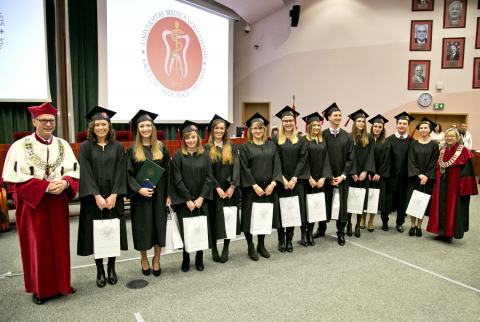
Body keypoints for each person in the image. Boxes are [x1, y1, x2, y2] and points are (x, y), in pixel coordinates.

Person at [2, 103, 79, 305]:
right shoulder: (20, 146)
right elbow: (14, 182)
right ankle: (40, 289)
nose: (48, 124)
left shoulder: (62, 145)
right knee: (38, 247)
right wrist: (44, 188)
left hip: (57, 202)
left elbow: (73, 174)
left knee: (61, 245)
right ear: (34, 121)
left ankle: (63, 284)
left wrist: (65, 182)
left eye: (51, 120)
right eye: (43, 120)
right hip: (33, 206)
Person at [77, 106, 128, 288]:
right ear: (92, 127)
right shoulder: (85, 147)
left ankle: (112, 267)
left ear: (109, 127)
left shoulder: (118, 147)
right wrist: (97, 196)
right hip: (93, 200)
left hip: (114, 199)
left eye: (104, 124)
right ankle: (100, 269)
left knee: (112, 233)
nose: (100, 128)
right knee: (97, 234)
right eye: (97, 124)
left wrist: (115, 194)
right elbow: (85, 172)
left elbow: (121, 172)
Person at [126, 110, 171, 277]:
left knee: (159, 227)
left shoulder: (161, 148)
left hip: (158, 195)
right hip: (140, 197)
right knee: (142, 228)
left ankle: (157, 259)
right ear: (137, 129)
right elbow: (127, 174)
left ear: (153, 128)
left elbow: (168, 172)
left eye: (148, 126)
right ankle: (144, 259)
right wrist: (138, 189)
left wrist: (168, 195)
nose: (145, 129)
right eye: (142, 126)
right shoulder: (132, 150)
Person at [171, 121, 213, 272]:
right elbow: (177, 179)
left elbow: (209, 178)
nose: (190, 140)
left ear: (198, 138)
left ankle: (199, 257)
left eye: (193, 137)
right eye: (187, 137)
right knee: (186, 229)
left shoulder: (205, 156)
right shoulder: (178, 156)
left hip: (202, 201)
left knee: (199, 228)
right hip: (184, 201)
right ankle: (186, 257)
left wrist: (201, 198)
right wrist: (188, 199)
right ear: (183, 139)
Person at [240, 113, 283, 260]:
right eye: (255, 128)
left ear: (264, 130)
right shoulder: (245, 147)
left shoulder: (271, 145)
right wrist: (254, 185)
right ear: (250, 130)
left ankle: (261, 244)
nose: (258, 131)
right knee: (249, 217)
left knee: (263, 216)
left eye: (260, 128)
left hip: (268, 189)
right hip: (252, 190)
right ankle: (250, 246)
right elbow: (244, 168)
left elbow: (277, 165)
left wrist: (273, 183)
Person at [312, 103, 356, 246]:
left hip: (342, 178)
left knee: (341, 205)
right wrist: (328, 176)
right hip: (325, 178)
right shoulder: (322, 135)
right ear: (329, 117)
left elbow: (351, 158)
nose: (338, 118)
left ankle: (341, 232)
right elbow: (319, 157)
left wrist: (343, 176)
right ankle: (321, 228)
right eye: (335, 115)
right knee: (324, 202)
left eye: (339, 115)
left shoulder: (348, 137)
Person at [427, 127, 478, 243]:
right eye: (448, 136)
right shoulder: (442, 150)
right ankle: (440, 232)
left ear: (457, 138)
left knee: (452, 208)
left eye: (452, 136)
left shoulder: (464, 151)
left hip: (455, 185)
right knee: (440, 207)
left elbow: (468, 171)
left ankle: (449, 234)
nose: (449, 138)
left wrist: (463, 188)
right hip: (441, 184)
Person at [203, 114, 240, 263]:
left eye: (222, 128)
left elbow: (237, 168)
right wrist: (217, 187)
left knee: (228, 219)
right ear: (212, 130)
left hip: (230, 190)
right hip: (213, 191)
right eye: (216, 128)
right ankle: (214, 249)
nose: (219, 131)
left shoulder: (232, 147)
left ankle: (226, 247)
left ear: (225, 131)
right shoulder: (206, 148)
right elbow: (207, 171)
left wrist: (232, 186)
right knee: (213, 219)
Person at [273, 106, 309, 251]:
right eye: (285, 121)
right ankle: (281, 239)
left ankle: (290, 240)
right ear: (282, 123)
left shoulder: (300, 140)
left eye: (290, 121)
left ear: (294, 123)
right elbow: (274, 160)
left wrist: (294, 178)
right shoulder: (276, 140)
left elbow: (303, 159)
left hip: (296, 182)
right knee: (281, 211)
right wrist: (281, 178)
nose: (288, 123)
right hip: (281, 182)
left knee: (293, 210)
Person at [302, 112, 332, 245]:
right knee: (306, 206)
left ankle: (310, 232)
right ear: (309, 126)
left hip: (320, 181)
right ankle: (304, 233)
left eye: (318, 125)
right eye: (314, 125)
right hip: (307, 180)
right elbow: (303, 161)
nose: (317, 128)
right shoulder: (303, 140)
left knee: (316, 206)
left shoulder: (323, 141)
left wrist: (324, 177)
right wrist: (308, 177)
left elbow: (327, 160)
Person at [383, 111, 415, 233]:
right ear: (396, 125)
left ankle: (399, 222)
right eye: (400, 123)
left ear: (408, 126)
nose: (402, 125)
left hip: (405, 177)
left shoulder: (412, 142)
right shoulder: (389, 140)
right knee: (388, 199)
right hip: (390, 175)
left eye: (404, 124)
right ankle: (384, 221)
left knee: (402, 200)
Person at [406, 118, 439, 237]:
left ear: (430, 130)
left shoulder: (435, 145)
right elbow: (411, 160)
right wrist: (419, 175)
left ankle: (419, 226)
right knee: (413, 201)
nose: (423, 130)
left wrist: (425, 177)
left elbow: (433, 162)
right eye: (421, 128)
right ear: (419, 129)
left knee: (423, 202)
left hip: (427, 179)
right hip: (414, 177)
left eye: (426, 128)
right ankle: (412, 225)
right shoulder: (413, 144)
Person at [345, 109, 375, 238]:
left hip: (363, 175)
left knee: (360, 200)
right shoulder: (348, 137)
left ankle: (358, 224)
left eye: (363, 121)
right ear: (355, 122)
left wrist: (365, 171)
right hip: (351, 175)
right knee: (349, 200)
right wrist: (352, 172)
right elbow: (346, 156)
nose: (361, 123)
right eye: (359, 121)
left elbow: (371, 156)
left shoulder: (368, 138)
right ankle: (349, 224)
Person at [362, 115, 391, 232]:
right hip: (367, 175)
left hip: (379, 176)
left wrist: (379, 173)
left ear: (382, 128)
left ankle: (371, 221)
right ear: (372, 127)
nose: (377, 129)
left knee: (374, 200)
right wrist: (368, 172)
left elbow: (386, 159)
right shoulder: (366, 139)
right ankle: (362, 219)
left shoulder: (385, 141)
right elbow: (364, 157)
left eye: (380, 127)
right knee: (365, 198)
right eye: (375, 126)